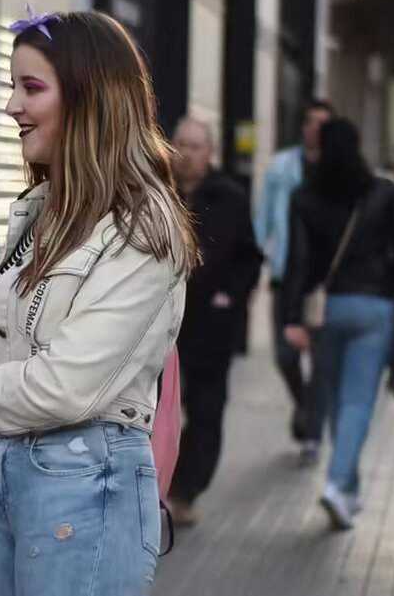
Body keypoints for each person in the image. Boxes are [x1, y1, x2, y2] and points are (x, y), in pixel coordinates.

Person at [0, 9, 198, 595]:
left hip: (83, 483)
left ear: (90, 97)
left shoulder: (143, 225)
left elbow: (69, 386)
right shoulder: (45, 209)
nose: (13, 106)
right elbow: (34, 353)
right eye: (13, 86)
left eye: (31, 87)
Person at [282, 117, 394, 530]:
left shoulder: (304, 197)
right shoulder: (384, 193)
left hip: (325, 310)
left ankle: (348, 491)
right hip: (374, 306)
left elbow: (297, 262)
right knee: (357, 401)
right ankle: (339, 484)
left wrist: (291, 317)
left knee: (338, 397)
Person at [165, 117, 262, 526]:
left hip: (209, 322)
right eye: (181, 143)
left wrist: (231, 296)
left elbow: (249, 258)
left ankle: (185, 491)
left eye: (195, 146)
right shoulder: (158, 191)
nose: (186, 153)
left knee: (206, 411)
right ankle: (155, 485)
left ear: (211, 153)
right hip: (162, 322)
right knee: (158, 408)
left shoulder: (228, 197)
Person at [253, 99, 334, 459]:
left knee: (320, 359)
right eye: (311, 121)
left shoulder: (338, 169)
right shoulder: (281, 166)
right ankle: (304, 404)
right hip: (286, 276)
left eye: (323, 124)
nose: (316, 129)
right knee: (285, 355)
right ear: (302, 127)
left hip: (323, 283)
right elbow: (263, 220)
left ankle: (312, 431)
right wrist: (254, 264)